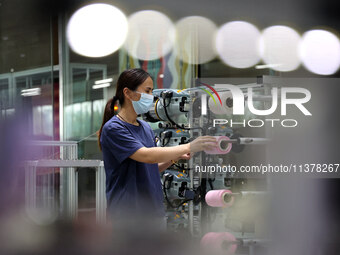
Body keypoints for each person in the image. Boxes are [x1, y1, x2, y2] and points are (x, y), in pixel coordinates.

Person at [97, 68, 217, 230]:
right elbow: (146, 156)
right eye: (147, 91)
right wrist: (188, 145)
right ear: (128, 93)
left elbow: (151, 167)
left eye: (152, 91)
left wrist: (175, 158)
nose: (151, 97)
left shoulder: (145, 127)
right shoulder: (114, 128)